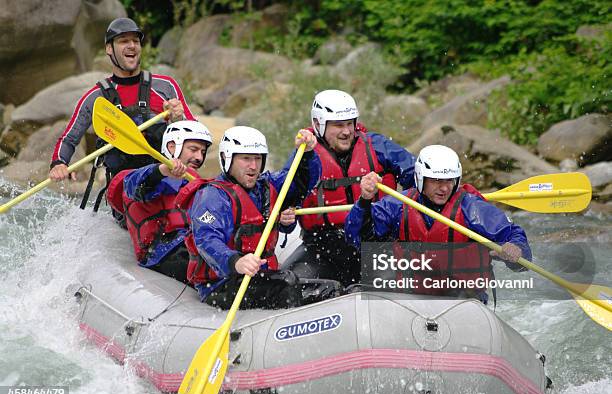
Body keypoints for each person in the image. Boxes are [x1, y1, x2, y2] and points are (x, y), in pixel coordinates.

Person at [345, 144, 532, 304]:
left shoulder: (473, 209)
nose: (443, 188)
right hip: (413, 299)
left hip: (464, 302)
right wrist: (364, 201)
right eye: (436, 181)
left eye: (449, 181)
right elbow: (356, 238)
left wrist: (516, 249)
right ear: (420, 178)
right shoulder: (398, 205)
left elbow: (516, 243)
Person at [48, 17, 194, 214]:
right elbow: (69, 139)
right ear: (109, 48)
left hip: (170, 180)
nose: (132, 46)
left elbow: (196, 134)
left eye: (135, 41)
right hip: (127, 191)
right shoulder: (96, 98)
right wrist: (59, 163)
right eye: (124, 41)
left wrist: (179, 118)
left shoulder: (165, 86)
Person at [175, 126, 321, 310]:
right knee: (286, 283)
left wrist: (307, 154)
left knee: (327, 290)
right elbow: (207, 240)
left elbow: (301, 181)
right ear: (227, 159)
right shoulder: (212, 196)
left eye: (257, 158)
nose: (253, 166)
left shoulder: (267, 186)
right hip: (222, 284)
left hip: (263, 278)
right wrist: (236, 261)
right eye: (246, 158)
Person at [282, 89, 416, 288]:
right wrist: (285, 219)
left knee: (405, 281)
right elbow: (284, 203)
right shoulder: (304, 156)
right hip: (322, 247)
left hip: (376, 241)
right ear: (318, 125)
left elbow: (419, 179)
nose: (346, 131)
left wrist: (400, 211)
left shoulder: (377, 146)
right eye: (338, 125)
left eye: (349, 123)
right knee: (288, 286)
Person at [106, 121, 212, 284]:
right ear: (171, 147)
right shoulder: (143, 177)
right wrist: (162, 171)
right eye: (193, 149)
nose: (199, 157)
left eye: (203, 152)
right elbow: (136, 186)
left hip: (194, 246)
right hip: (163, 253)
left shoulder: (199, 184)